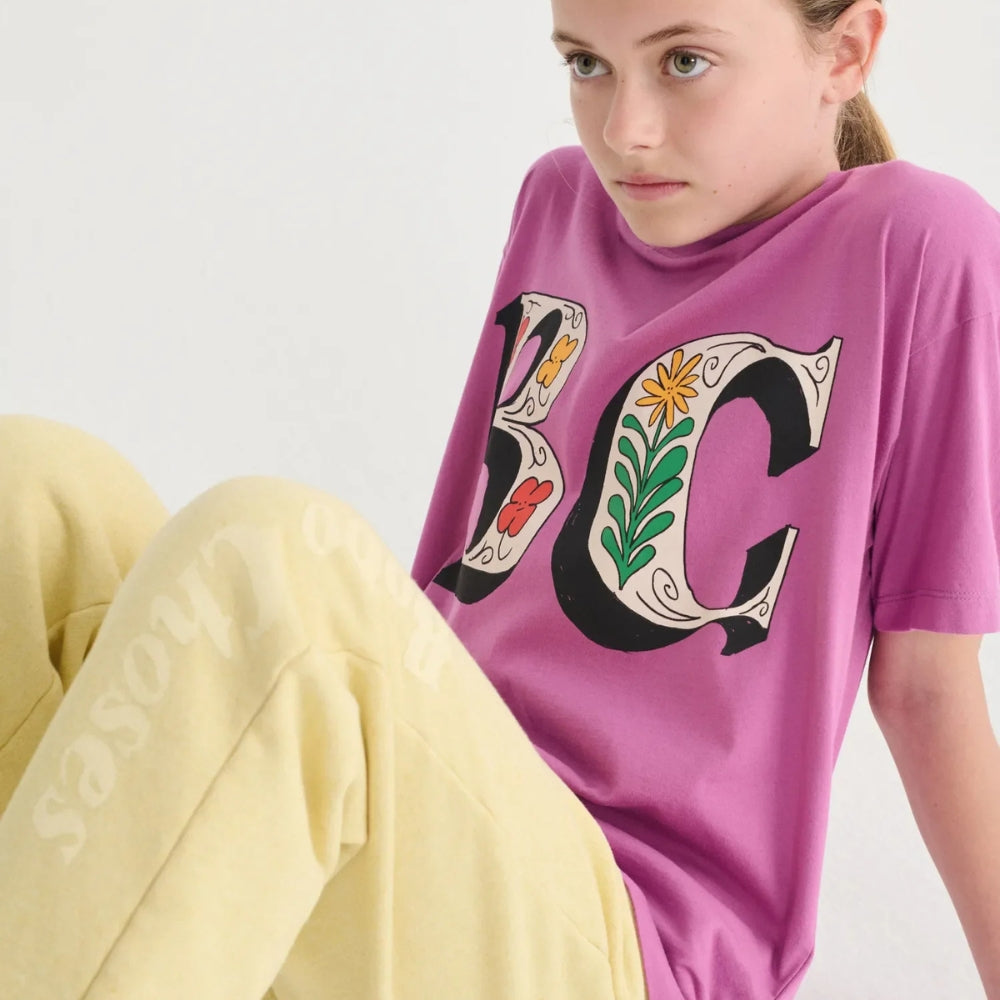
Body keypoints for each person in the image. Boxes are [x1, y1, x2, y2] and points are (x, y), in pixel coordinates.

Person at [0, 0, 998, 998]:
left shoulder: (916, 246)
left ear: (846, 51)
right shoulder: (561, 205)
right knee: (31, 497)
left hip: (633, 939)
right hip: (441, 841)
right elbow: (449, 585)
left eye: (684, 63)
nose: (625, 130)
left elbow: (925, 689)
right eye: (587, 64)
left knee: (265, 560)